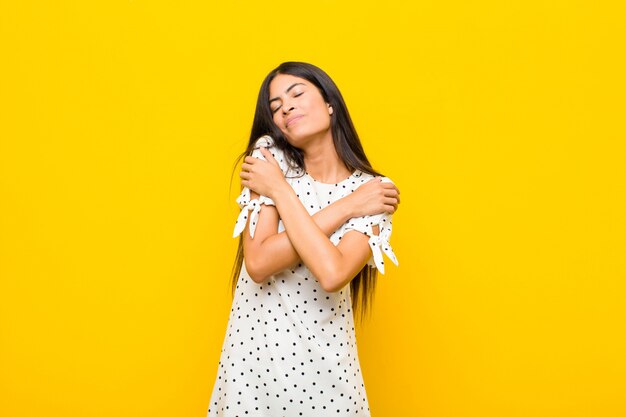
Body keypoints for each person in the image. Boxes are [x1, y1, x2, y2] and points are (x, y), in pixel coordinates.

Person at [207, 62, 400, 417]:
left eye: (296, 94)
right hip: (255, 369)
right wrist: (347, 206)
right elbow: (260, 262)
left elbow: (333, 272)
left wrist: (281, 193)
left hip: (328, 373)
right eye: (276, 107)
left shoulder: (375, 191)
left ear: (330, 102)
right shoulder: (269, 158)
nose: (286, 108)